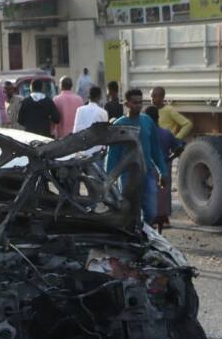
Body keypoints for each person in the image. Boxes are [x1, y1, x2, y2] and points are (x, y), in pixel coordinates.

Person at [107, 89, 167, 225]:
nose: (138, 106)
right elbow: (113, 155)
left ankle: (144, 234)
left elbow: (156, 150)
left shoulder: (147, 121)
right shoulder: (119, 125)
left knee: (151, 212)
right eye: (135, 103)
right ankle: (133, 240)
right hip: (126, 176)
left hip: (147, 174)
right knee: (128, 212)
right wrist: (109, 179)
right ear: (126, 104)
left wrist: (162, 172)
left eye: (140, 102)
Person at [146, 106, 185, 233]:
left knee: (148, 199)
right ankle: (160, 231)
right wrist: (169, 158)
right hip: (163, 170)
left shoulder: (144, 134)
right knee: (162, 200)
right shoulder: (166, 133)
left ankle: (148, 230)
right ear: (158, 117)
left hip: (148, 171)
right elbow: (179, 148)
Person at [73, 85, 108, 157]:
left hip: (81, 152)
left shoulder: (80, 110)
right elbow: (105, 135)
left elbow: (76, 131)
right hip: (96, 152)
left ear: (88, 96)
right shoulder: (103, 112)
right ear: (100, 97)